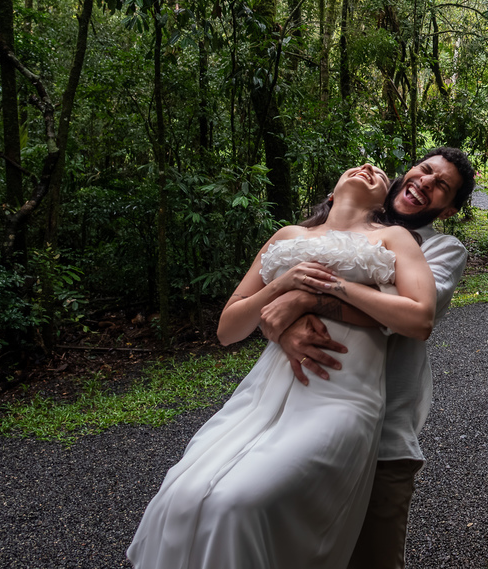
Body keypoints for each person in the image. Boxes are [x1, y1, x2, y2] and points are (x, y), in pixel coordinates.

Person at [127, 162, 442, 569]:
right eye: (356, 165)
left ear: (384, 203)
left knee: (238, 502)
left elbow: (419, 319)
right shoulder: (288, 236)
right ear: (330, 193)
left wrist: (327, 287)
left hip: (341, 396)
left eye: (379, 171)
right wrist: (284, 282)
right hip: (262, 393)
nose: (367, 167)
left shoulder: (395, 237)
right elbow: (228, 329)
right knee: (184, 494)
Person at [264, 147, 475, 569]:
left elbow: (401, 315)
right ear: (408, 170)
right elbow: (269, 296)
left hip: (383, 434)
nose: (426, 183)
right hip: (292, 419)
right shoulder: (343, 222)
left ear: (448, 210)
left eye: (441, 187)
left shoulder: (443, 250)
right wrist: (282, 326)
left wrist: (307, 299)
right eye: (425, 170)